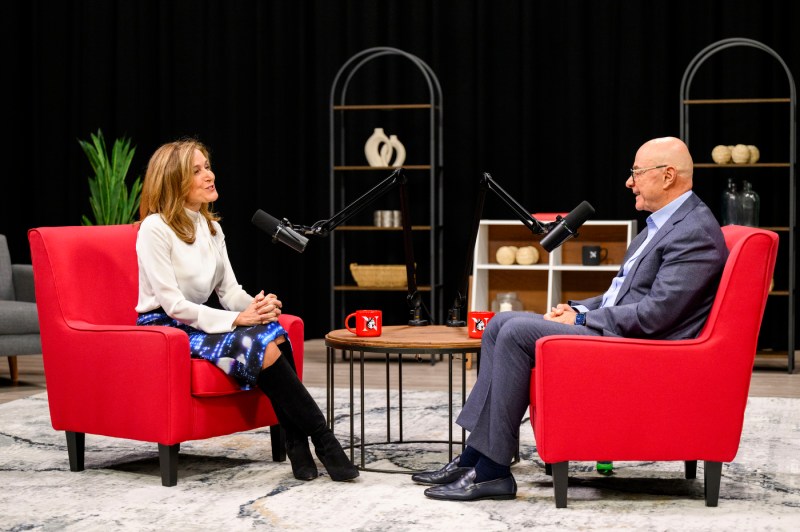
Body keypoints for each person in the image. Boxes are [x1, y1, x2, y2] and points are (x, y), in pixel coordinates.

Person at [413, 136, 728, 501]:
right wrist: (578, 310)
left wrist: (580, 324)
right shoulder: (661, 225)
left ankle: (491, 471)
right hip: (623, 334)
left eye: (636, 173)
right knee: (501, 323)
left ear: (668, 175)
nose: (630, 182)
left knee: (513, 330)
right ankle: (476, 458)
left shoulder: (694, 232)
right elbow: (621, 295)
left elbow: (656, 316)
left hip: (644, 351)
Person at [135, 138, 358, 482]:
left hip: (196, 320)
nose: (209, 175)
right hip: (164, 328)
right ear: (173, 181)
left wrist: (257, 305)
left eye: (207, 166)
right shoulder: (155, 229)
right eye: (196, 171)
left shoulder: (211, 227)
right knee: (256, 341)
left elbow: (229, 293)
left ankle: (297, 444)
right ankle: (323, 440)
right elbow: (173, 305)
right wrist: (238, 319)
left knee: (272, 329)